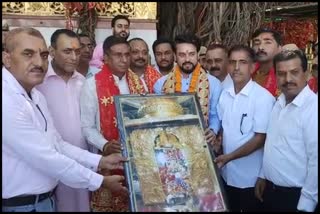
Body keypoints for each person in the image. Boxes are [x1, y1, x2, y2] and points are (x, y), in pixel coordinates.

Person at [2, 28, 128, 212]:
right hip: (22, 205)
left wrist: (100, 162)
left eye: (43, 55)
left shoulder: (35, 95)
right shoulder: (7, 100)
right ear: (6, 58)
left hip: (44, 200)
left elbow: (57, 143)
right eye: (28, 54)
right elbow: (46, 157)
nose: (39, 62)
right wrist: (99, 180)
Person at [80, 36, 146, 212]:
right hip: (108, 160)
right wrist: (106, 144)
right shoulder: (91, 85)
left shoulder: (139, 83)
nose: (124, 60)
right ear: (106, 58)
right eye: (118, 55)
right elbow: (87, 127)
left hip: (138, 159)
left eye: (127, 54)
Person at [213, 45, 275, 212]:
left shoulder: (263, 98)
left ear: (253, 66)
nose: (237, 67)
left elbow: (260, 139)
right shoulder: (225, 95)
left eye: (243, 62)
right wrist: (217, 143)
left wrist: (229, 157)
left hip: (250, 179)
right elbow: (223, 129)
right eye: (232, 62)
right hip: (226, 176)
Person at [254, 50, 318, 212]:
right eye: (281, 74)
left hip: (296, 199)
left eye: (294, 72)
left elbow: (316, 161)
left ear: (306, 73)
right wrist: (263, 175)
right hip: (271, 192)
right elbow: (273, 143)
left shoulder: (313, 109)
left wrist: (306, 204)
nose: (288, 79)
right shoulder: (279, 103)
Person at [36, 29, 90, 212]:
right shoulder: (38, 82)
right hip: (48, 164)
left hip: (80, 162)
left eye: (77, 51)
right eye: (67, 51)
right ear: (52, 52)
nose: (74, 57)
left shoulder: (83, 82)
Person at [154, 33, 222, 144]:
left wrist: (213, 131)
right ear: (175, 56)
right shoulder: (160, 84)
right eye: (182, 55)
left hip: (201, 141)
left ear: (198, 55)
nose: (187, 59)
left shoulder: (214, 83)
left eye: (191, 54)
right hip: (170, 143)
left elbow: (214, 114)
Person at [252, 28, 282, 97]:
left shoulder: (284, 76)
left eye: (267, 42)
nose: (260, 47)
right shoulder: (247, 72)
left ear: (279, 48)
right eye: (256, 43)